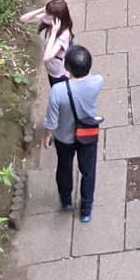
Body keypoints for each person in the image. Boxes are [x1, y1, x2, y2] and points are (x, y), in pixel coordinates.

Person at [43, 45, 103, 222]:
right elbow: (94, 78)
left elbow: (52, 120)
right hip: (88, 134)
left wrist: (48, 135)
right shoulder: (97, 82)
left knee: (64, 167)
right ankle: (85, 210)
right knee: (88, 171)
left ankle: (66, 201)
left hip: (64, 137)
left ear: (66, 68)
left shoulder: (58, 91)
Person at [19, 0, 75, 86]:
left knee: (59, 93)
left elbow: (47, 57)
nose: (45, 15)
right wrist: (42, 9)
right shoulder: (46, 19)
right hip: (50, 68)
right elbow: (23, 19)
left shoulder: (64, 34)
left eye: (49, 14)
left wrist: (53, 33)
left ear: (57, 18)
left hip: (58, 72)